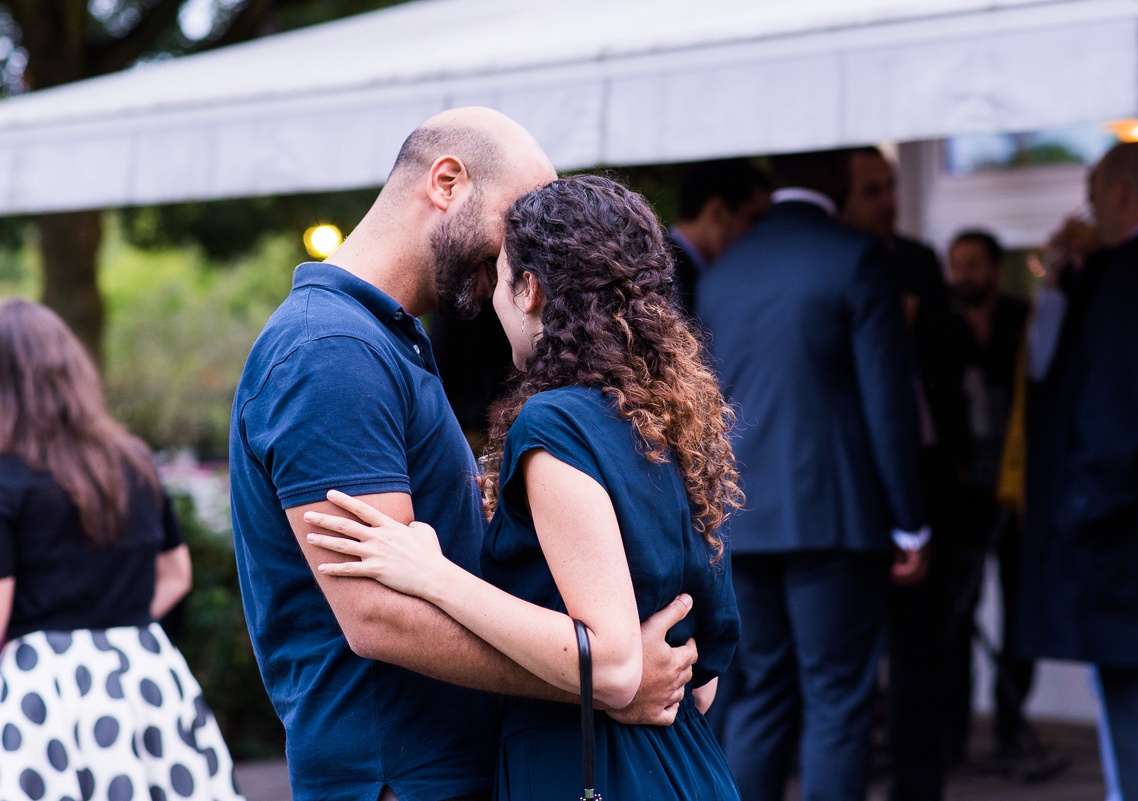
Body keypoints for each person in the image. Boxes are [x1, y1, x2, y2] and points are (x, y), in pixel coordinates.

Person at [228, 108, 697, 801]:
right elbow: (379, 613)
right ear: (446, 181)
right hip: (401, 779)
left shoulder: (386, 338)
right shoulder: (331, 352)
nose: (524, 252)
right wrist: (600, 679)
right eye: (516, 220)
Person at [303, 174, 743, 799]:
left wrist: (431, 573)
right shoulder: (670, 425)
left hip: (586, 766)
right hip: (687, 764)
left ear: (530, 289)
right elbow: (700, 684)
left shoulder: (557, 424)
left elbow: (615, 665)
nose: (490, 300)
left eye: (500, 275)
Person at [696, 150, 928, 801]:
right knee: (838, 700)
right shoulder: (857, 257)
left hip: (743, 517)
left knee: (762, 692)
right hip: (834, 515)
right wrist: (910, 520)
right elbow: (889, 402)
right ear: (839, 183)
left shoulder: (724, 270)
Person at [0, 298, 243, 801]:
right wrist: (114, 622)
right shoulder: (130, 460)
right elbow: (177, 573)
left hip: (41, 690)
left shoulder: (6, 480)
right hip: (142, 671)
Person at [1017, 141, 1138, 801]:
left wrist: (1074, 519)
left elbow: (1119, 427)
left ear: (1118, 194)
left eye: (1094, 195)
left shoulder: (1135, 277)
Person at [839, 145, 962, 801]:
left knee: (922, 648)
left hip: (922, 470)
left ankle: (921, 783)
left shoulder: (915, 261)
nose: (888, 199)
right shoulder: (829, 264)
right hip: (848, 492)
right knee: (847, 667)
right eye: (872, 189)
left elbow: (947, 368)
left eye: (891, 186)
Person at [944, 229, 1033, 766]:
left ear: (997, 269)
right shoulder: (943, 323)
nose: (964, 276)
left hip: (1016, 486)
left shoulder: (1023, 319)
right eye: (957, 265)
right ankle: (954, 733)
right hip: (960, 493)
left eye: (974, 265)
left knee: (1021, 613)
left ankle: (1012, 727)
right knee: (957, 614)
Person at [668, 158, 771, 319]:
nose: (759, 231)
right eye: (754, 218)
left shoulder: (671, 264)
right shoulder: (668, 275)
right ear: (718, 212)